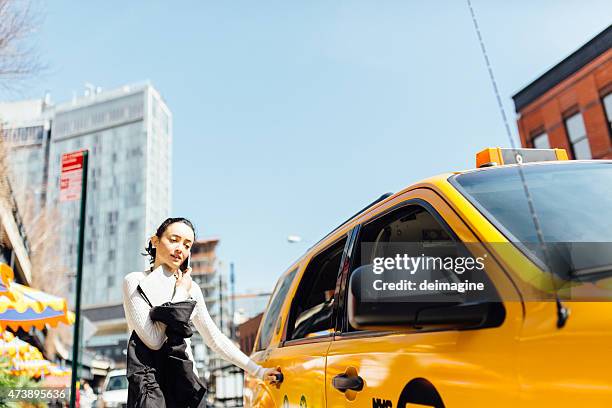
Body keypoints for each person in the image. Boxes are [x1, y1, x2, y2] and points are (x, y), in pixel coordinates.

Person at [122, 217, 281, 406]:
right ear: (155, 241)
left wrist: (259, 371)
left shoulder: (192, 289)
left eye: (187, 245)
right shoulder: (135, 281)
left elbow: (215, 338)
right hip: (150, 389)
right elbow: (153, 339)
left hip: (185, 387)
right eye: (174, 240)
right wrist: (181, 292)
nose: (180, 248)